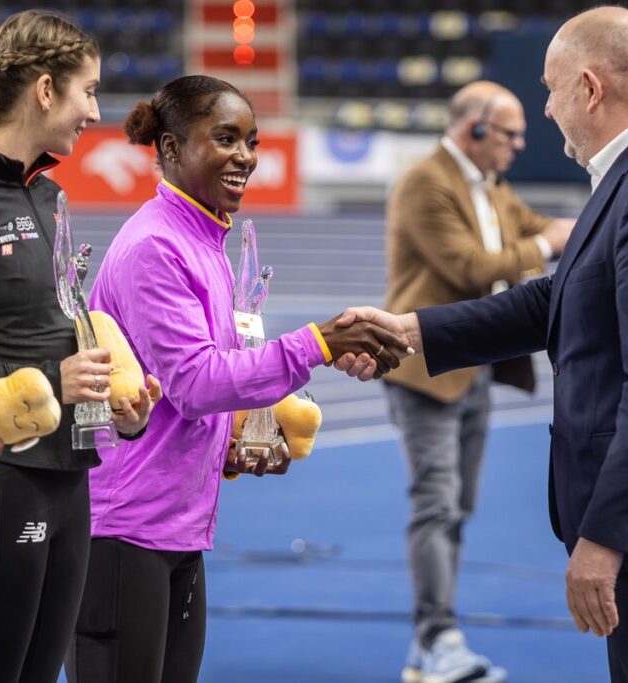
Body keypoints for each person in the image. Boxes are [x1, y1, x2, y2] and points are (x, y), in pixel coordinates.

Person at [336, 7, 628, 682]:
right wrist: (413, 330)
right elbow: (564, 296)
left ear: (589, 87)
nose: (546, 111)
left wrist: (607, 536)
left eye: (550, 90)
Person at [66, 74, 409, 683]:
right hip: (126, 529)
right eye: (225, 138)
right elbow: (195, 382)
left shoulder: (203, 239)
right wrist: (319, 344)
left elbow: (180, 389)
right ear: (170, 149)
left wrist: (229, 441)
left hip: (175, 523)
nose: (246, 157)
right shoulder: (156, 246)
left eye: (251, 141)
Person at [0, 11, 159, 683]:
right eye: (88, 92)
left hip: (68, 474)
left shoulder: (47, 196)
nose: (95, 112)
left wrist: (114, 394)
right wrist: (53, 374)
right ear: (46, 89)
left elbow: (49, 325)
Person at [384, 80, 572, 683]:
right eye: (511, 134)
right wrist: (545, 242)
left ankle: (428, 647)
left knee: (457, 508)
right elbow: (468, 266)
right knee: (436, 505)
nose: (519, 145)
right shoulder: (427, 182)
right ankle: (438, 636)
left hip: (474, 373)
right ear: (477, 130)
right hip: (424, 374)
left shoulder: (489, 186)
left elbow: (535, 226)